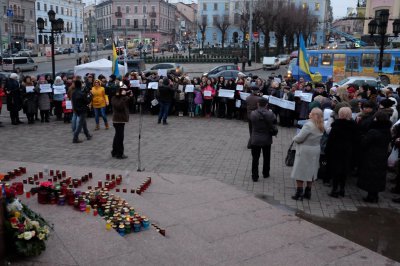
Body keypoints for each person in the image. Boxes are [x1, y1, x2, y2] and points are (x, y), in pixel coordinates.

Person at [357, 111, 391, 203]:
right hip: (382, 156)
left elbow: (364, 143)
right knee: (378, 176)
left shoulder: (373, 131)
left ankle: (370, 196)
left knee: (370, 176)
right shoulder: (387, 131)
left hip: (371, 156)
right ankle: (375, 195)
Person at [291, 107, 324, 200]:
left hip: (305, 150)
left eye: (311, 112)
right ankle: (308, 191)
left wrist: (294, 138)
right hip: (315, 150)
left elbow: (299, 138)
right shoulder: (321, 125)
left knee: (300, 171)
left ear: (314, 115)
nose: (309, 113)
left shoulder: (308, 125)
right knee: (311, 171)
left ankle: (299, 193)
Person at [325, 107, 359, 197]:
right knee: (344, 170)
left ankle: (335, 189)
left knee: (336, 170)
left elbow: (330, 140)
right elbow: (356, 140)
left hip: (336, 151)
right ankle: (342, 189)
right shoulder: (354, 126)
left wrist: (327, 151)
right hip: (348, 150)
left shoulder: (336, 125)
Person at [250, 98, 276, 182]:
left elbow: (251, 124)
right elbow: (274, 122)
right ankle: (266, 173)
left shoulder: (253, 113)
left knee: (255, 158)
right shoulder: (270, 114)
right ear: (266, 105)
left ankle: (255, 176)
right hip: (266, 138)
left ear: (258, 104)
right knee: (267, 157)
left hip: (255, 138)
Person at [111, 85, 131, 159]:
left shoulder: (122, 97)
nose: (124, 91)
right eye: (123, 90)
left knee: (117, 136)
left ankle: (114, 151)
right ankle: (119, 153)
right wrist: (124, 97)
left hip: (121, 120)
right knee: (120, 137)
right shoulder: (114, 98)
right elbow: (119, 106)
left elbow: (130, 104)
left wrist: (129, 96)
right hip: (117, 120)